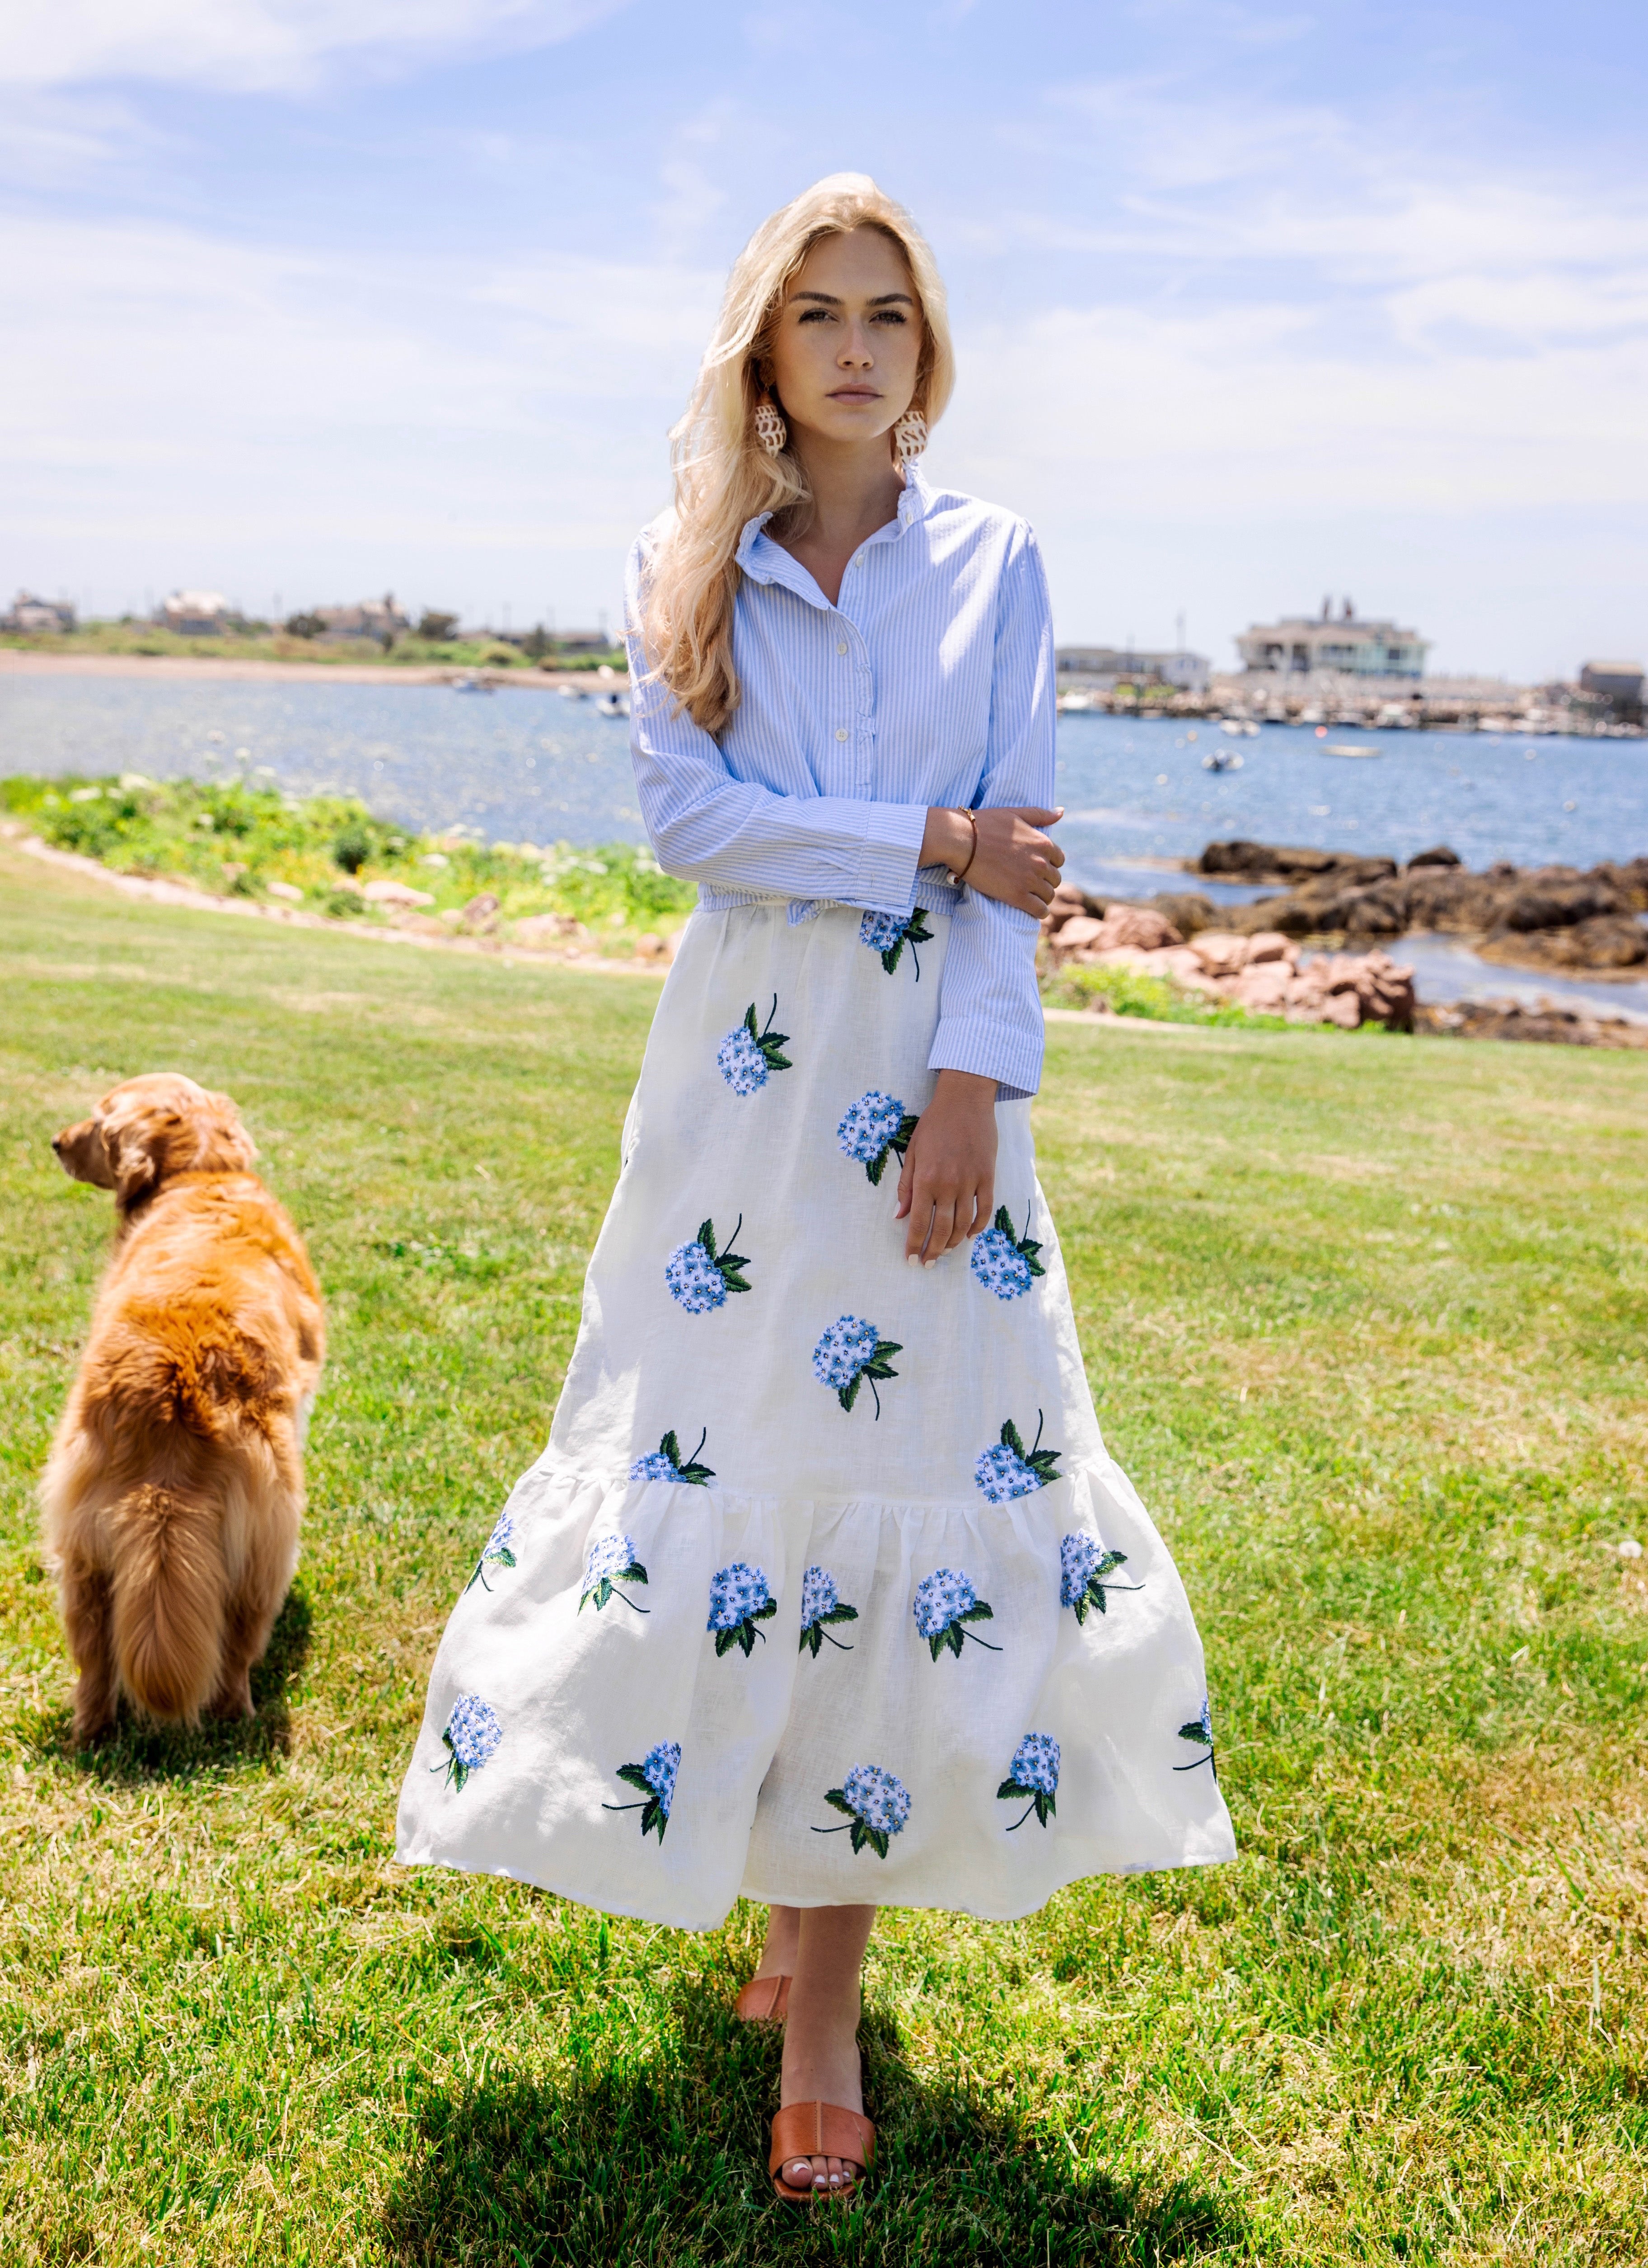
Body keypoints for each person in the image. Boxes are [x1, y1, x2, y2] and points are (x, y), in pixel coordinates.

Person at [395, 173, 1234, 2207]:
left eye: (889, 312)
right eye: (817, 314)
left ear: (926, 351)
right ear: (766, 354)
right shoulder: (693, 564)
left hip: (926, 1089)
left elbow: (1024, 864)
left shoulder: (998, 563)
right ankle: (770, 1887)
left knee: (909, 1478)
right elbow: (697, 829)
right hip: (740, 1104)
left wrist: (971, 1082)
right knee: (740, 1460)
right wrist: (932, 837)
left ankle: (829, 1992)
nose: (857, 343)